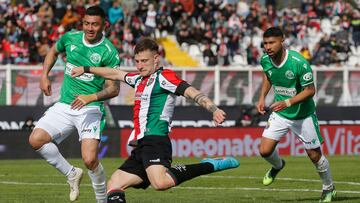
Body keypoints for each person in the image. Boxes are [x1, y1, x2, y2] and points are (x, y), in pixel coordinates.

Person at [71, 38, 240, 203]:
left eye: (144, 61)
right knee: (115, 184)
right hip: (141, 145)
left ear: (156, 59)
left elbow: (191, 92)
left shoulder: (164, 77)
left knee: (160, 183)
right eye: (137, 61)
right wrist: (86, 68)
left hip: (156, 140)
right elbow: (115, 73)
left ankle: (210, 165)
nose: (140, 65)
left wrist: (213, 108)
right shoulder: (138, 80)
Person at [28, 6, 121, 203]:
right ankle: (71, 173)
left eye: (95, 24)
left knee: (90, 160)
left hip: (91, 108)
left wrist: (91, 97)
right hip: (65, 105)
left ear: (105, 25)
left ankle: (102, 201)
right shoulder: (71, 38)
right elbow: (53, 51)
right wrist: (44, 76)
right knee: (36, 140)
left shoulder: (109, 52)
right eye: (86, 23)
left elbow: (114, 89)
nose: (90, 28)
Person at [256, 27, 336, 202]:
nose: (268, 47)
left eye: (272, 42)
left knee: (314, 155)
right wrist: (262, 97)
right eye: (265, 43)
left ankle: (328, 188)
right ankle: (278, 166)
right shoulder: (265, 60)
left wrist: (287, 102)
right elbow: (268, 76)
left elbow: (310, 90)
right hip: (281, 114)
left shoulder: (299, 62)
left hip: (303, 115)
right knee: (264, 150)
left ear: (282, 41)